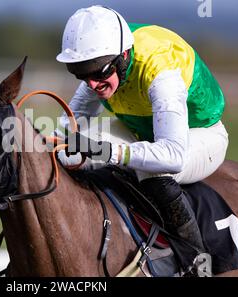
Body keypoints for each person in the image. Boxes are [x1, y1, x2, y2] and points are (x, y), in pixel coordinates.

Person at [55, 5, 228, 276]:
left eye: (98, 74)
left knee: (151, 169)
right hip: (142, 133)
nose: (91, 85)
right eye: (81, 74)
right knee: (70, 153)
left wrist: (104, 151)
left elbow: (171, 155)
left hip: (200, 136)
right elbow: (68, 130)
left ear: (124, 57)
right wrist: (55, 143)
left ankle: (194, 262)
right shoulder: (104, 59)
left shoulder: (161, 71)